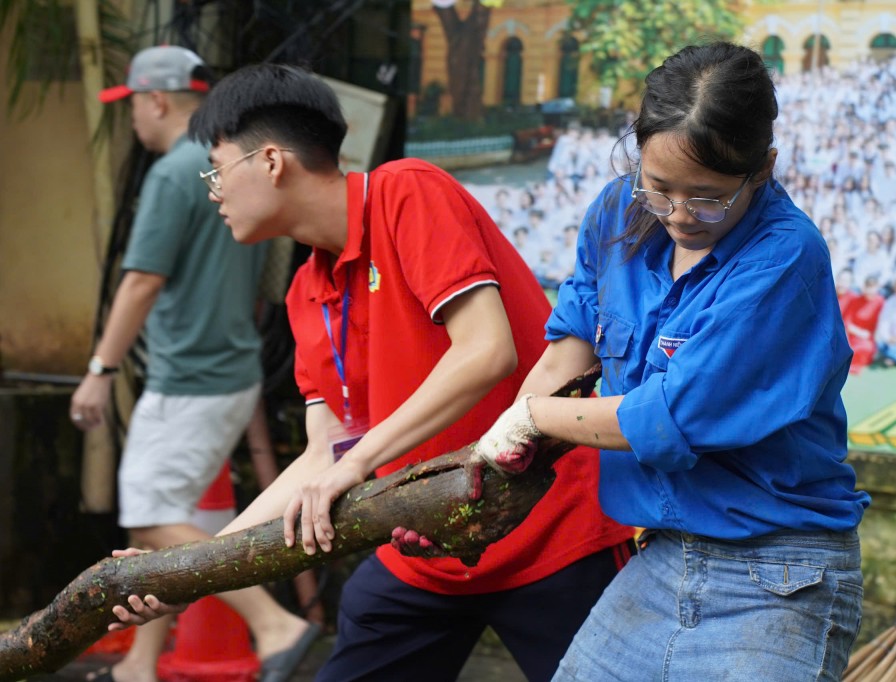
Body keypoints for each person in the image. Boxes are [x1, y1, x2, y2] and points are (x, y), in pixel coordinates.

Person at [109, 63, 633, 682]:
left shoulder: (405, 190)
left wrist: (358, 464)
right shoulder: (306, 291)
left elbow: (486, 350)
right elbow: (321, 456)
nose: (213, 191)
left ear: (271, 161)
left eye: (217, 169)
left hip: (550, 536)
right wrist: (190, 574)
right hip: (424, 553)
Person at [474, 43, 870, 680]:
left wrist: (532, 419)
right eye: (659, 189)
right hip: (661, 558)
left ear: (762, 168)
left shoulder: (785, 256)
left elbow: (666, 418)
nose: (680, 215)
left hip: (778, 574)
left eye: (708, 197)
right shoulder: (616, 211)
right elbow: (568, 352)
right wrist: (487, 467)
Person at [68, 47, 318, 682]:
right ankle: (140, 667)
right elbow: (268, 276)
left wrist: (101, 368)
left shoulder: (176, 171)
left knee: (152, 515)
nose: (131, 121)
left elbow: (142, 281)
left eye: (131, 107)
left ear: (156, 100)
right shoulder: (230, 168)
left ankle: (274, 625)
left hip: (189, 380)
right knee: (187, 526)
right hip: (232, 373)